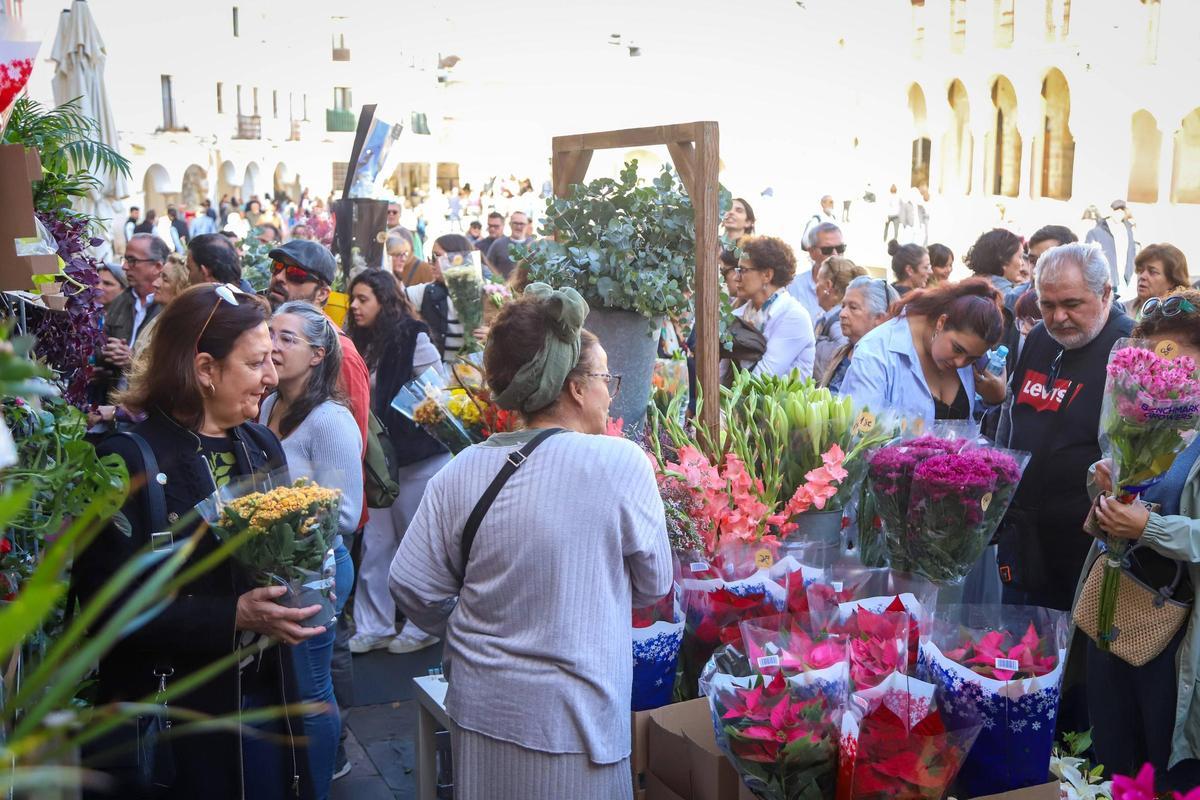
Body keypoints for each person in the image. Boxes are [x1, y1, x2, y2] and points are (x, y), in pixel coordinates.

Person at [389, 284, 672, 800]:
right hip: (576, 720)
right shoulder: (619, 462)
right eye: (606, 376)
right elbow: (654, 584)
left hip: (481, 707)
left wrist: (470, 630)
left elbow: (410, 585)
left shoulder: (462, 469)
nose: (611, 390)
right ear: (576, 387)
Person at [73, 283, 320, 799]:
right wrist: (232, 615)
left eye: (273, 360)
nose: (271, 380)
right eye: (255, 365)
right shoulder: (125, 462)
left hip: (260, 711)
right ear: (205, 369)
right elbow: (104, 610)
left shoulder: (259, 443)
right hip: (172, 729)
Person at [1082, 289, 1200, 792]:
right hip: (1116, 609)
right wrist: (1105, 492)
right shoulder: (1144, 412)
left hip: (1179, 635)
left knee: (1163, 761)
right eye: (1150, 354)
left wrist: (1149, 528)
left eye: (1173, 355)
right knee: (1113, 755)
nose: (1159, 367)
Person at [266, 240, 368, 780]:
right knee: (282, 684)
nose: (273, 346)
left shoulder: (329, 420)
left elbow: (346, 514)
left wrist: (277, 517)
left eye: (287, 338)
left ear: (317, 353)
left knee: (310, 684)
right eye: (269, 335)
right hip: (277, 565)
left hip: (317, 566)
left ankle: (321, 778)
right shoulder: (266, 402)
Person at [996, 242, 1134, 611]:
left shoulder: (1130, 348)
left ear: (1105, 293)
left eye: (1071, 304)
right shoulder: (1040, 337)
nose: (1058, 317)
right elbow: (1013, 417)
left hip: (1086, 546)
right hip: (1024, 535)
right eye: (1047, 304)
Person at [346, 270, 448, 655]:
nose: (354, 306)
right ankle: (374, 623)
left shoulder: (412, 335)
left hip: (416, 456)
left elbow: (436, 394)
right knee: (376, 543)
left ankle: (422, 624)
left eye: (363, 299)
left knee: (413, 541)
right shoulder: (361, 341)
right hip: (379, 460)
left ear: (384, 300)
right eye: (352, 299)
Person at [840, 278, 1007, 424]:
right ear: (941, 322)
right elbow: (859, 437)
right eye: (957, 349)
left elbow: (993, 394)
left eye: (972, 358)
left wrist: (997, 395)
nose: (960, 363)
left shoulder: (971, 346)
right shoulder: (875, 352)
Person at [732, 236, 816, 377]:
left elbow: (762, 377)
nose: (736, 277)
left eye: (743, 270)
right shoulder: (741, 313)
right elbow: (722, 374)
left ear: (767, 275)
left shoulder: (794, 316)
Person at [96, 234, 167, 400]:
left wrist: (132, 360)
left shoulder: (169, 307)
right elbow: (100, 345)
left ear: (157, 266)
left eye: (132, 260)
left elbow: (173, 369)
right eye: (125, 259)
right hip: (116, 402)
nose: (125, 266)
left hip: (149, 407)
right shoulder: (121, 300)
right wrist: (108, 351)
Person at [407, 234, 486, 366]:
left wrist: (493, 334)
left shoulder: (488, 292)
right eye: (430, 257)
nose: (430, 262)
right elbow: (393, 298)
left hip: (475, 375)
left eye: (435, 256)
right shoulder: (426, 291)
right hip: (438, 378)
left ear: (457, 258)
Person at [818, 276, 897, 392]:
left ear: (879, 318)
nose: (842, 314)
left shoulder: (884, 364)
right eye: (843, 306)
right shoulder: (841, 353)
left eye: (853, 307)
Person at [812, 256, 867, 381]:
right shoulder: (831, 318)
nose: (815, 287)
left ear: (828, 285)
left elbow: (843, 357)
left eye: (818, 281)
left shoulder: (838, 322)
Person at [787, 221, 845, 325]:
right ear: (811, 252)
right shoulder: (793, 287)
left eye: (840, 248)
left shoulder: (855, 287)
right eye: (827, 250)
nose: (835, 254)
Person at [1007, 224, 1079, 306]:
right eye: (1033, 261)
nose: (1036, 270)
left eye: (1047, 261)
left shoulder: (1086, 294)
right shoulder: (1014, 298)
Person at [1085, 199, 1138, 303]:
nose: (1119, 214)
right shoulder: (1096, 231)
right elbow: (1087, 257)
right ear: (1111, 211)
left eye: (1121, 211)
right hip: (1106, 280)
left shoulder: (1128, 229)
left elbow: (1133, 251)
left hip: (1125, 279)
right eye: (1116, 211)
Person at [964, 228, 1026, 305]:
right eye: (1020, 256)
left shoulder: (965, 289)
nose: (1022, 263)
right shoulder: (1008, 298)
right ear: (1003, 259)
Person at [1130, 243, 1189, 317]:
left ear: (1172, 281)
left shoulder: (1185, 317)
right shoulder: (1121, 310)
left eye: (1153, 272)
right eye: (1140, 270)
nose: (1142, 276)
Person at [485, 211, 534, 279]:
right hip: (503, 288)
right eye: (515, 223)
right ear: (510, 224)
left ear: (527, 225)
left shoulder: (533, 245)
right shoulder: (498, 244)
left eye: (522, 224)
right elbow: (488, 266)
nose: (518, 226)